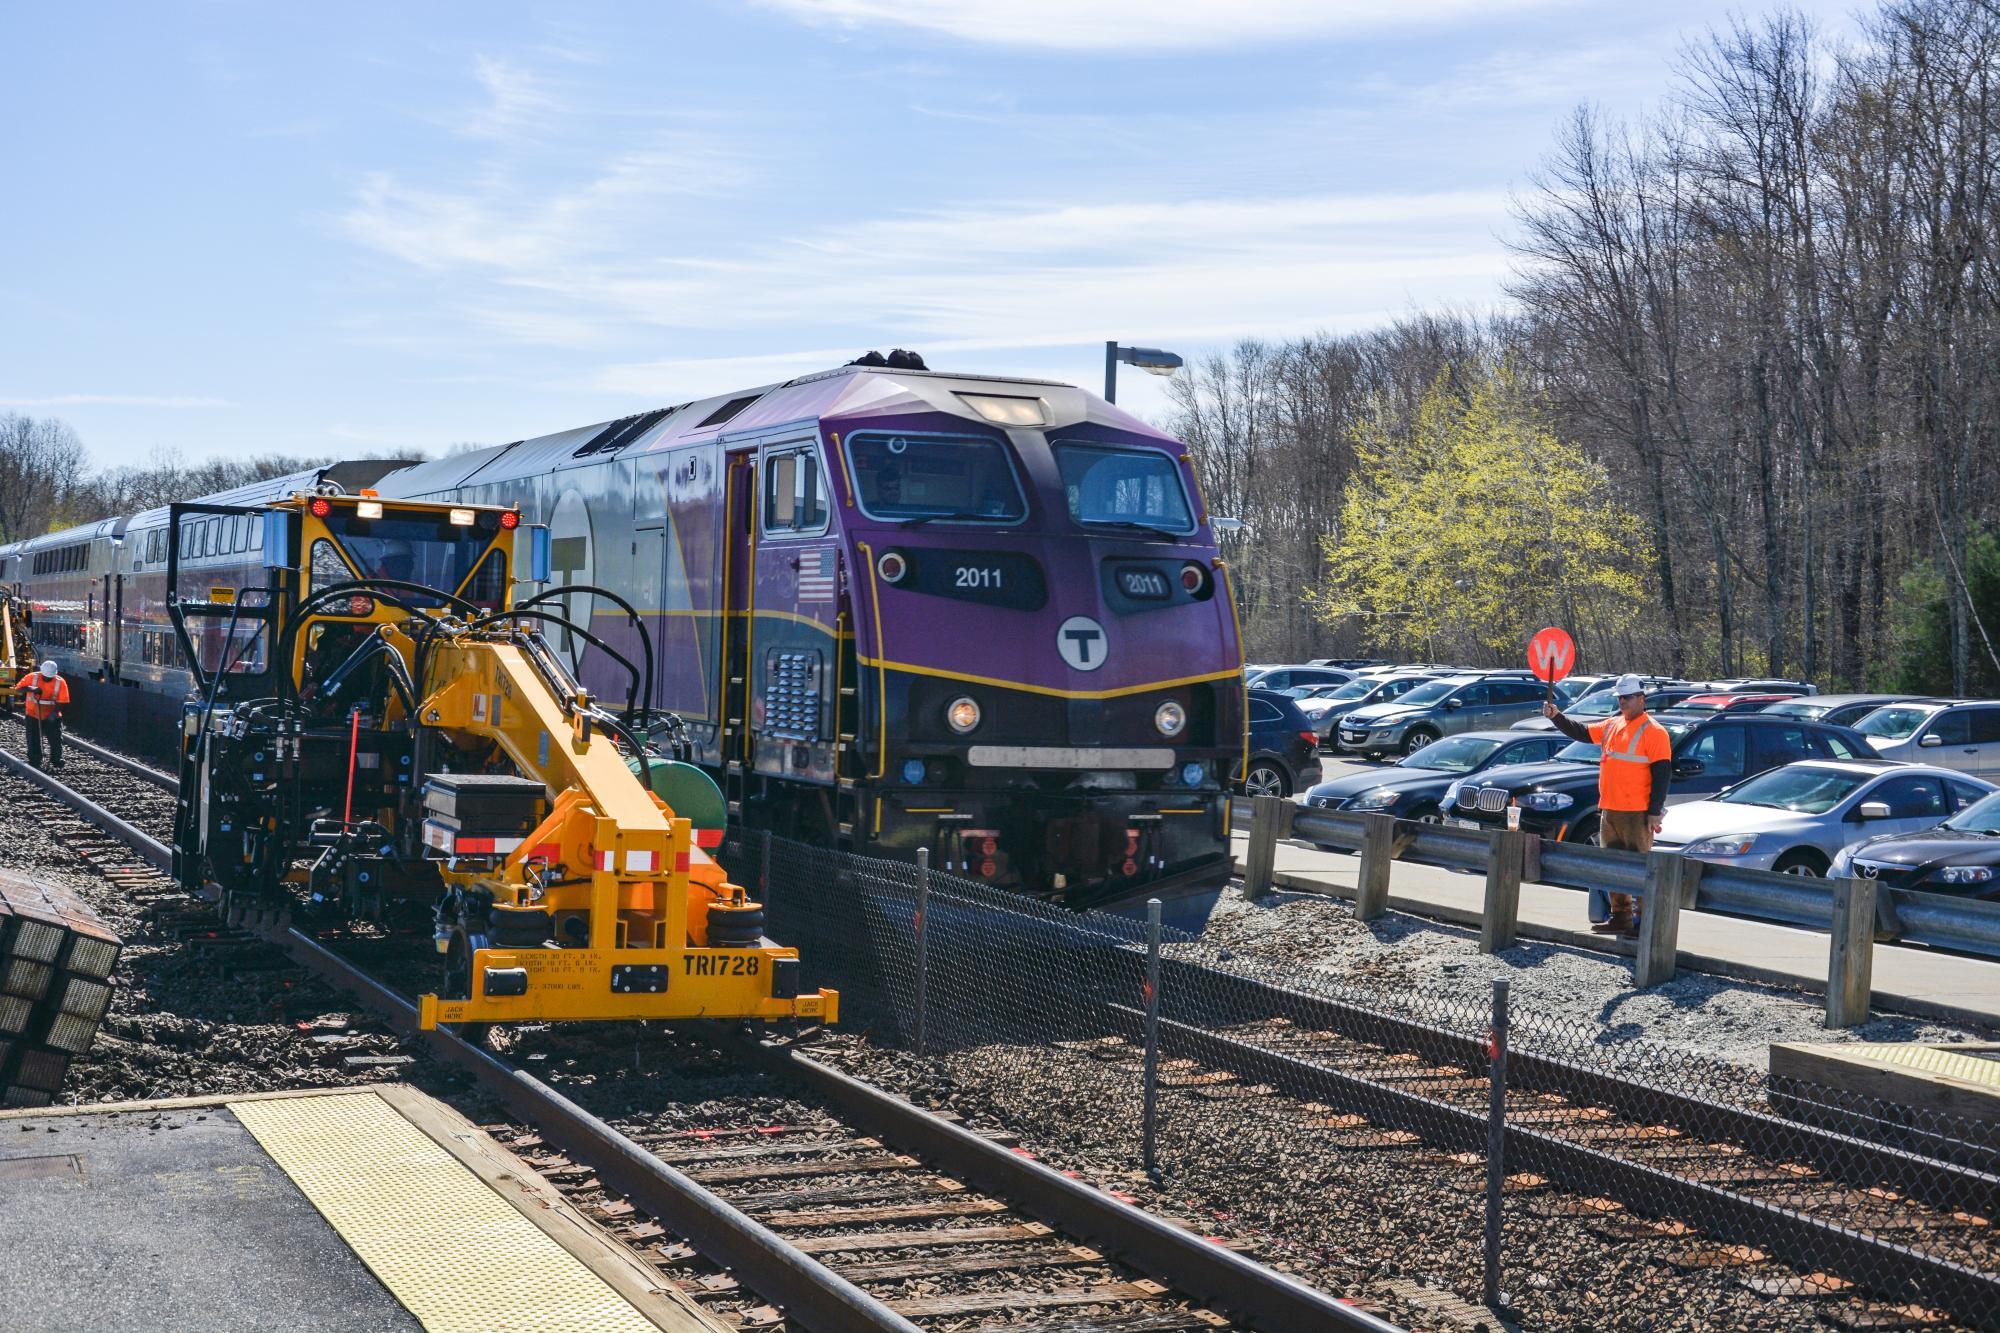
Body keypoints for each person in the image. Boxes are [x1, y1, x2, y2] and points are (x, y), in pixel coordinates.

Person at [1541, 672, 1670, 936]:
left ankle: (1644, 922)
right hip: (1610, 809)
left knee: (1638, 868)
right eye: (1620, 697)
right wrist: (1557, 717)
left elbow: (1662, 774)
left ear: (1641, 698)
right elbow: (1582, 732)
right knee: (1612, 868)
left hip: (1637, 812)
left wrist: (1654, 812)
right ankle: (1621, 916)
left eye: (1627, 697)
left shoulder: (1654, 731)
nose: (1622, 702)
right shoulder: (1613, 724)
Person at [13, 660, 70, 771]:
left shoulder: (60, 682)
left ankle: (57, 759)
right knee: (33, 737)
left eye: (49, 677)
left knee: (55, 738)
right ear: (41, 672)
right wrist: (31, 688)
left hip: (52, 715)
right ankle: (35, 759)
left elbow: (63, 700)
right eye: (45, 677)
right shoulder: (32, 677)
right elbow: (18, 689)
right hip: (33, 713)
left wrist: (53, 714)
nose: (47, 679)